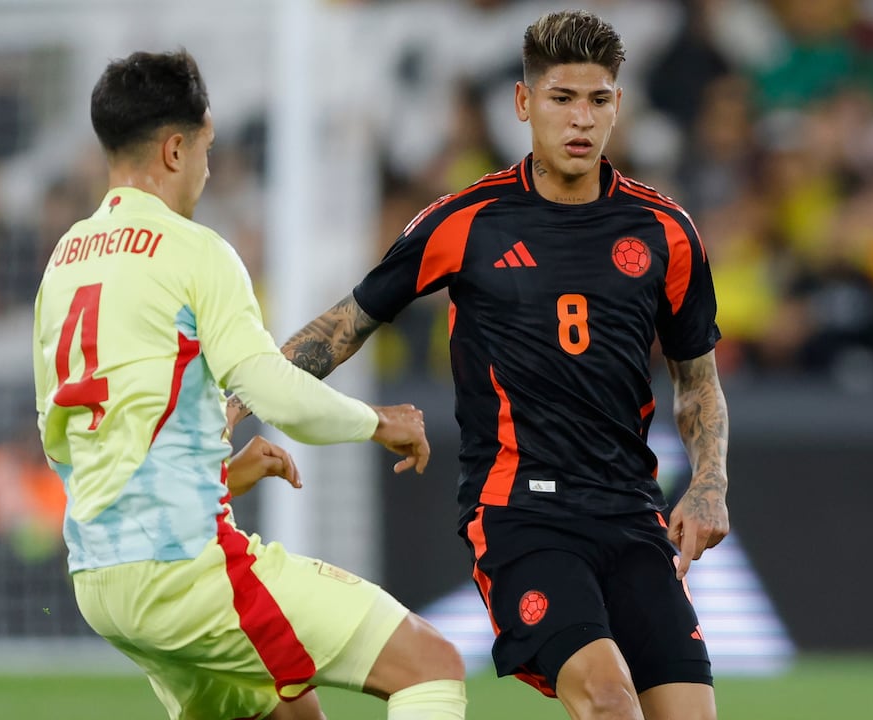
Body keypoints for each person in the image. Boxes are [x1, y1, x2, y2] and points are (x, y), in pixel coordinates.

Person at [234, 10, 731, 720]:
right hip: (523, 512)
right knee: (609, 698)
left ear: (618, 105)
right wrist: (240, 398)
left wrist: (709, 484)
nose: (580, 119)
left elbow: (697, 383)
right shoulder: (467, 220)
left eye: (597, 100)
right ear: (525, 104)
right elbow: (349, 322)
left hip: (632, 514)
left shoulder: (665, 231)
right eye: (562, 98)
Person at [32, 49, 467, 720]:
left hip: (102, 582)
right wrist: (379, 422)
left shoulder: (63, 264)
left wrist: (219, 477)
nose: (207, 168)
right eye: (205, 148)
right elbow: (274, 391)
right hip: (186, 574)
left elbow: (73, 443)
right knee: (430, 666)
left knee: (292, 707)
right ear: (176, 149)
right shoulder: (194, 250)